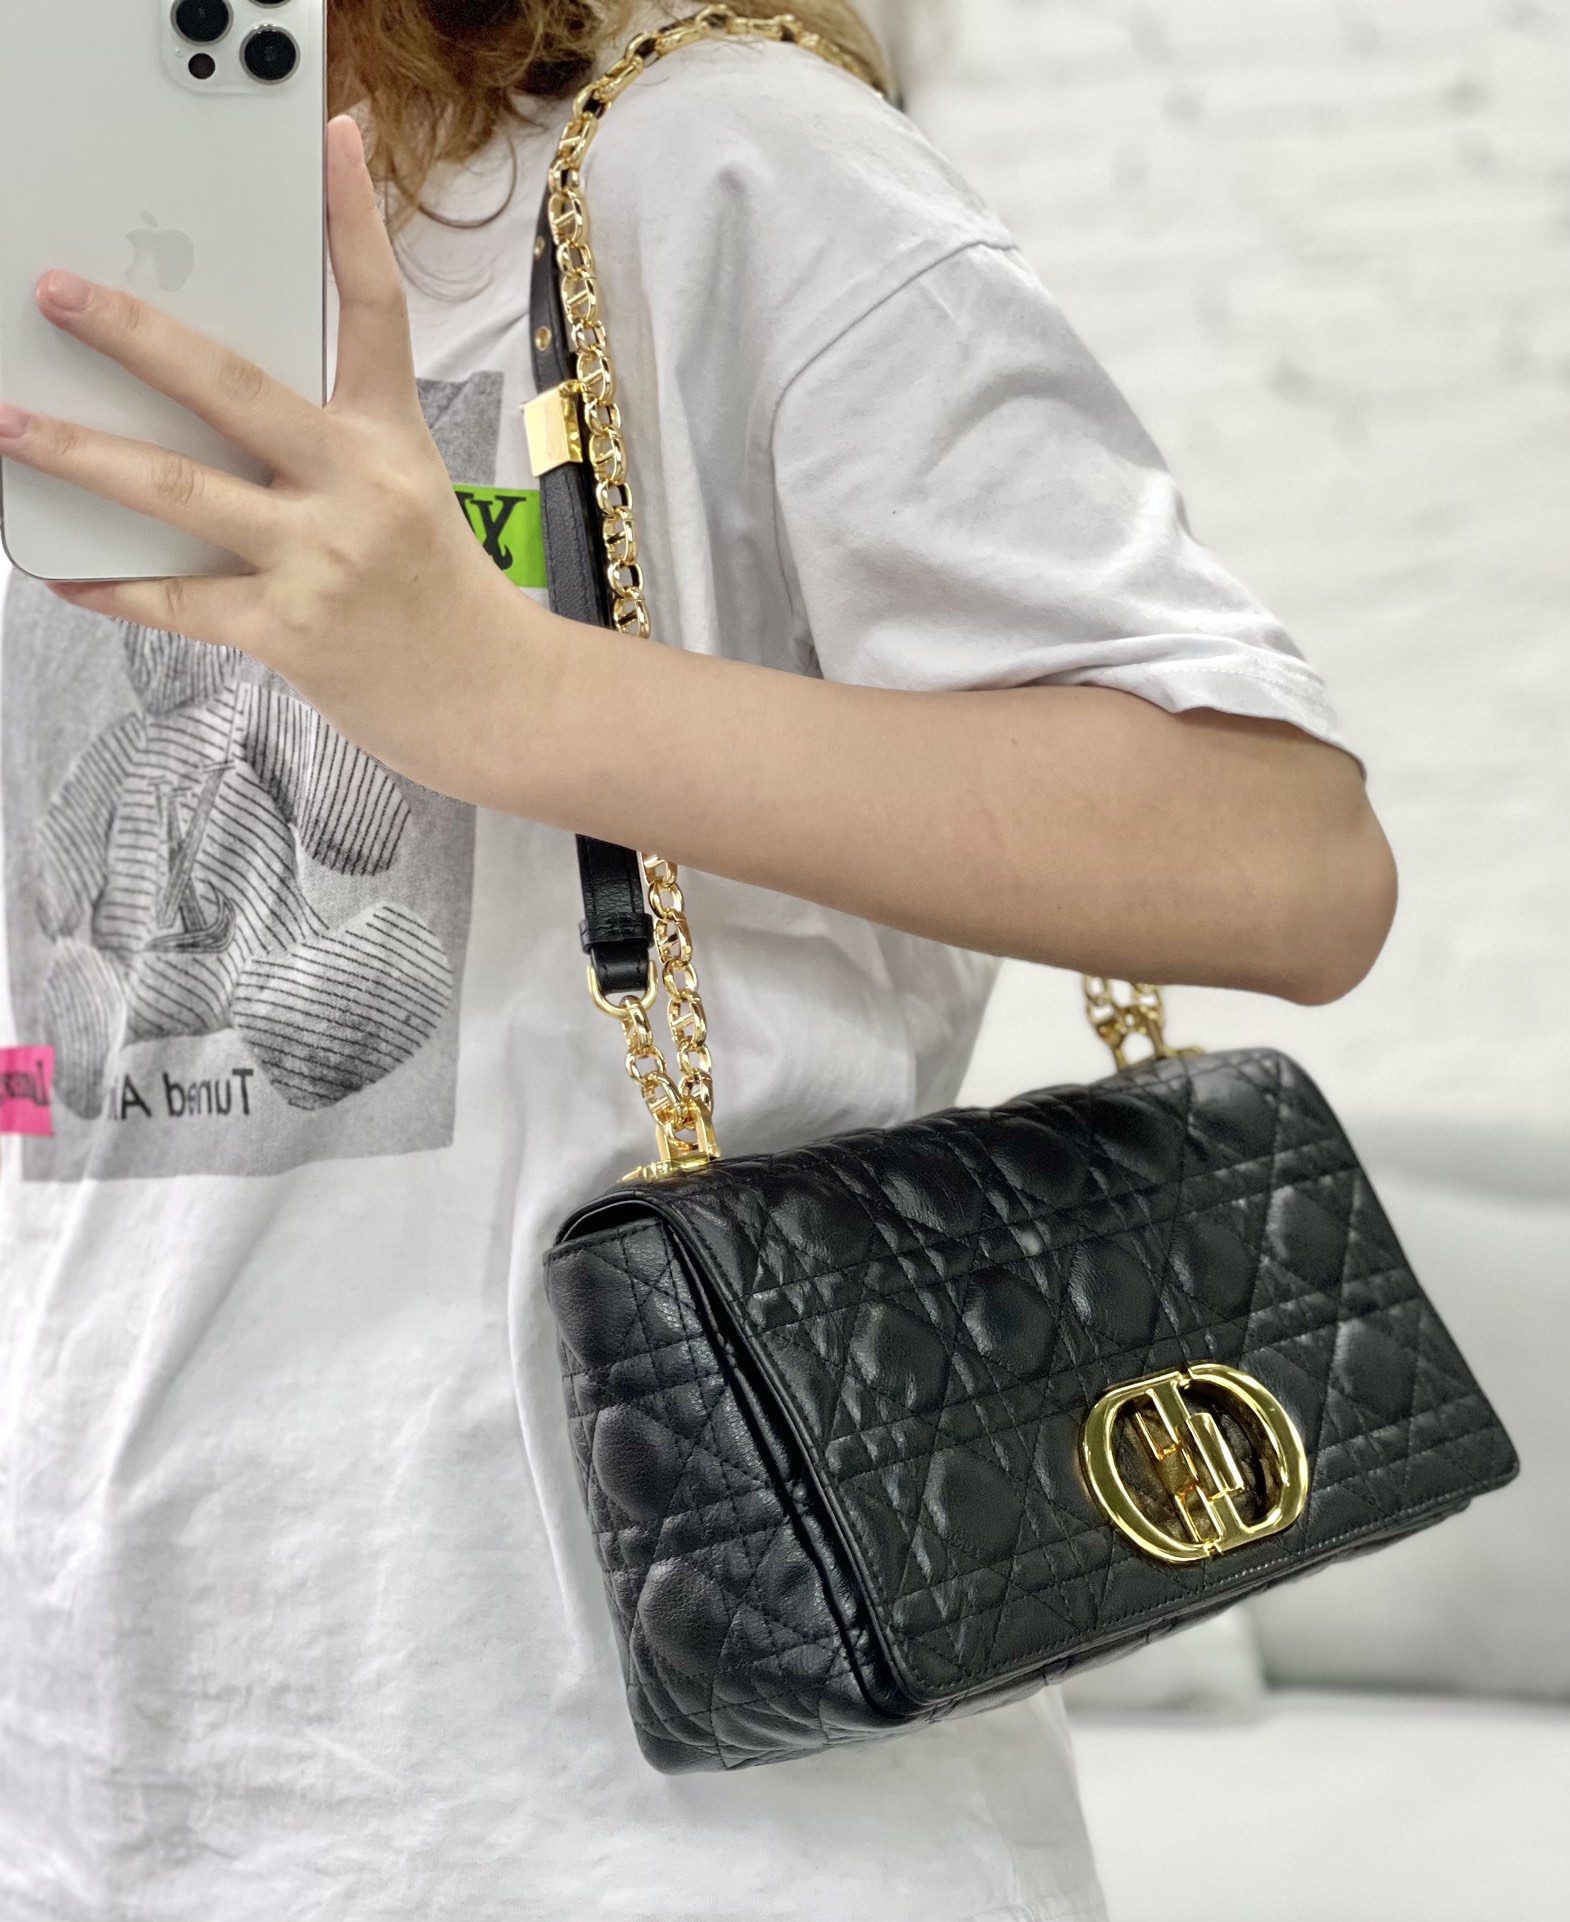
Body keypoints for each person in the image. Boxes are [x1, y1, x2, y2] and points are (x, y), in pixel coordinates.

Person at [0, 3, 1396, 1917]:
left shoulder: (715, 163)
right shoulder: (53, 263)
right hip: (100, 1784)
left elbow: (1284, 861)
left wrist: (499, 690)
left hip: (645, 1824)